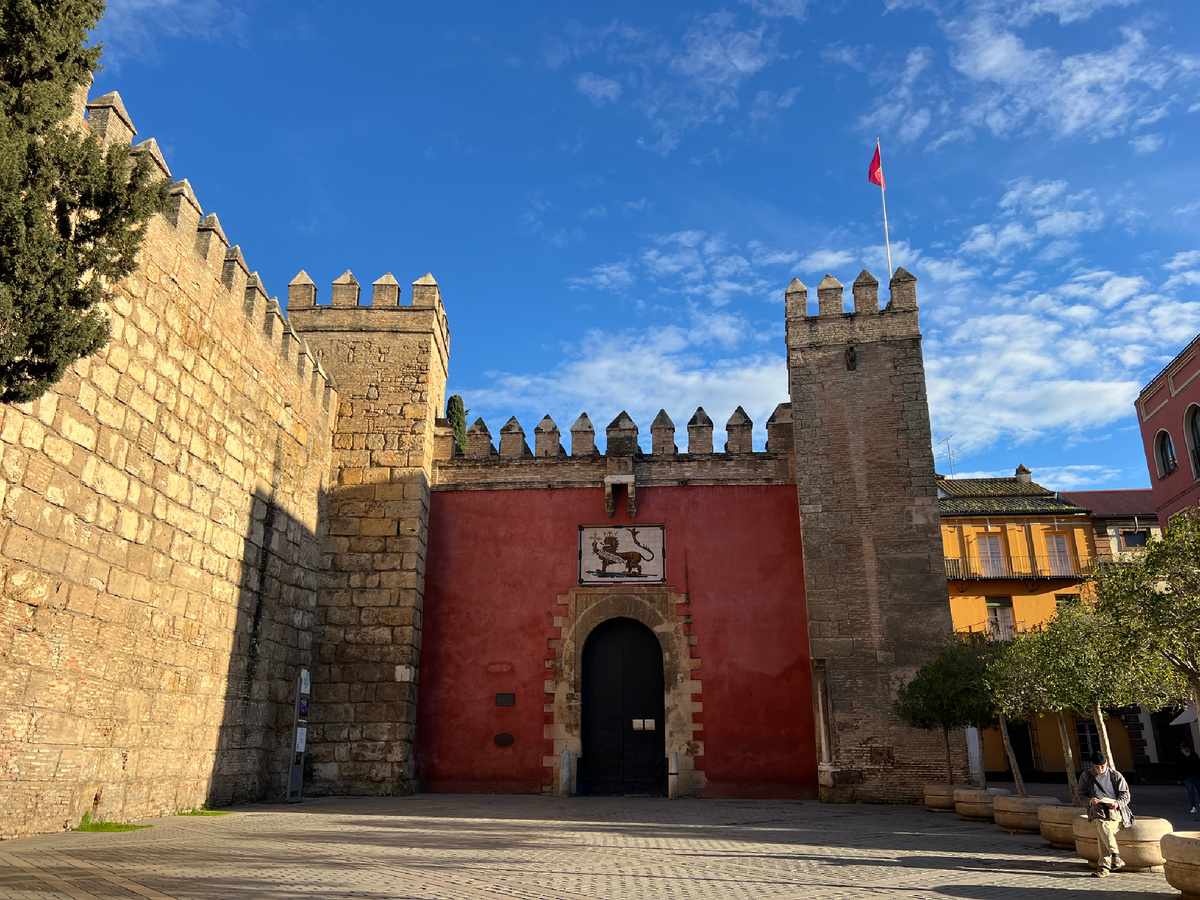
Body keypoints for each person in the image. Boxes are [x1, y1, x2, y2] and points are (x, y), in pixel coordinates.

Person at [1077, 751, 1134, 877]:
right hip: (1097, 809)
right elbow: (1081, 796)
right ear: (1093, 765)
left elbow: (1126, 795)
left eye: (1102, 766)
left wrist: (1117, 803)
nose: (1100, 769)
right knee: (1102, 824)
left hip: (1115, 810)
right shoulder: (1086, 776)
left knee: (1102, 828)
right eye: (1097, 767)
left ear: (1106, 763)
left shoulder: (1115, 775)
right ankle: (1115, 856)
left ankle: (1105, 866)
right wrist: (1090, 801)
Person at [1178, 743, 1200, 814]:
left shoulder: (1193, 755)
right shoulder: (1180, 757)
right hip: (1187, 777)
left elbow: (1197, 764)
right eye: (1181, 749)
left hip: (1196, 776)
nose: (1183, 750)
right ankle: (1193, 806)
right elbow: (1179, 768)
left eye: (1184, 748)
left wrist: (1189, 756)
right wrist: (1179, 778)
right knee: (1191, 792)